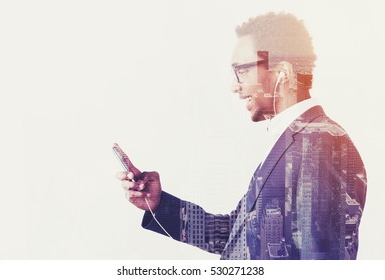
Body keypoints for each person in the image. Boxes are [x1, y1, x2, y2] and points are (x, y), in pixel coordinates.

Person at [116, 12, 367, 260]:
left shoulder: (322, 143)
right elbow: (234, 237)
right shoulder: (292, 142)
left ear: (282, 72)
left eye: (242, 71)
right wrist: (158, 204)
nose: (235, 86)